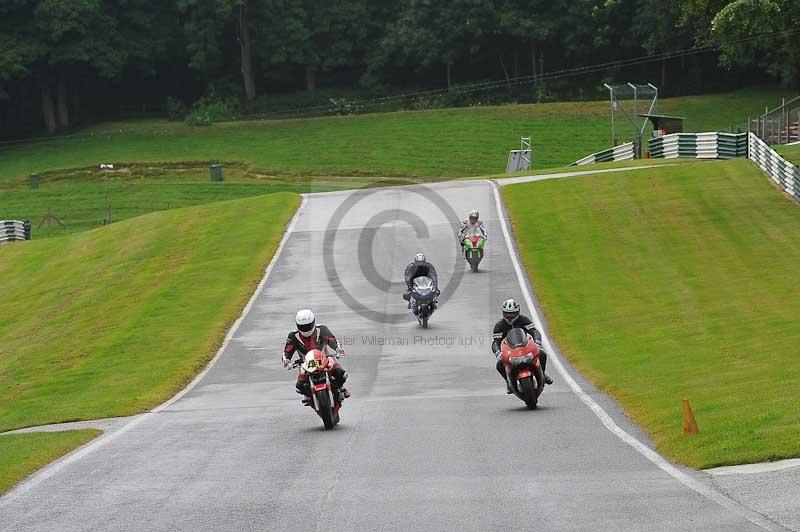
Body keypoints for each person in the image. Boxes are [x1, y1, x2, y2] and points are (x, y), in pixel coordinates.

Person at [282, 309, 349, 403]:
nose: (306, 329)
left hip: (326, 358)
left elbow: (333, 340)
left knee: (341, 374)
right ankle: (308, 395)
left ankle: (340, 387)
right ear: (297, 325)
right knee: (300, 385)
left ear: (313, 322)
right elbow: (287, 351)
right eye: (303, 326)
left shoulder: (322, 329)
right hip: (305, 363)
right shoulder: (293, 336)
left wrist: (338, 349)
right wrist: (287, 361)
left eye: (308, 325)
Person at [491, 299, 553, 393]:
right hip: (510, 350)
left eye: (512, 314)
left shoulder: (523, 319)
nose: (510, 316)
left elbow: (534, 331)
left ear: (518, 312)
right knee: (499, 364)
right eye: (507, 314)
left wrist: (538, 343)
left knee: (542, 354)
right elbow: (496, 342)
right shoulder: (499, 325)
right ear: (503, 313)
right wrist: (498, 352)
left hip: (525, 347)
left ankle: (542, 374)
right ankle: (508, 382)